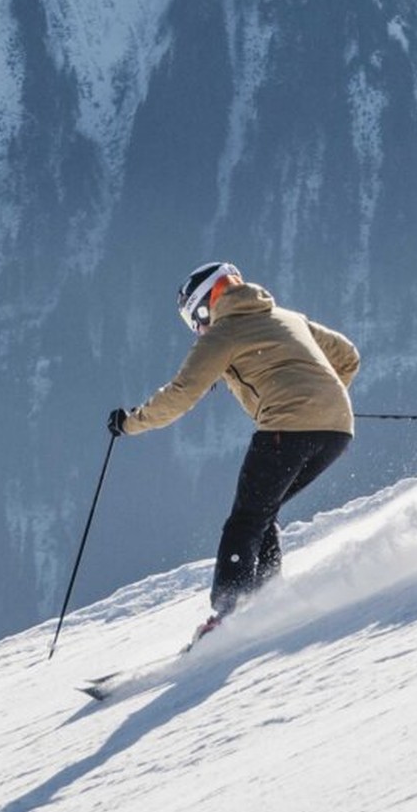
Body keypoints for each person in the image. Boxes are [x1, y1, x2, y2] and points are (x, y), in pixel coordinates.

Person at [111, 261, 361, 622]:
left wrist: (129, 423)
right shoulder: (289, 318)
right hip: (337, 430)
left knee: (245, 521)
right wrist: (321, 402)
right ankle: (266, 598)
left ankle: (229, 614)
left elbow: (180, 394)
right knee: (262, 510)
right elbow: (348, 357)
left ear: (203, 303)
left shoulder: (223, 334)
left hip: (286, 429)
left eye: (192, 318)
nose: (196, 328)